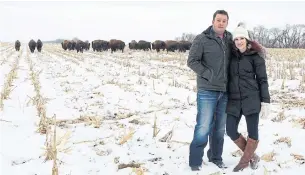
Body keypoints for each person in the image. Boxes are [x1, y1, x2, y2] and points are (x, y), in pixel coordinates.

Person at [187, 10, 233, 171]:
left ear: (227, 23)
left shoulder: (230, 39)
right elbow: (192, 61)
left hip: (225, 91)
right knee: (204, 126)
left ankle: (215, 157)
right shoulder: (202, 39)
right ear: (213, 21)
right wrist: (209, 75)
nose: (221, 23)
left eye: (224, 21)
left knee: (220, 128)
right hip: (207, 90)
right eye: (218, 20)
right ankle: (195, 161)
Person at [226, 23, 270, 172]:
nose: (239, 41)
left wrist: (265, 102)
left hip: (251, 99)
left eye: (241, 38)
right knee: (231, 130)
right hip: (234, 100)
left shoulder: (255, 57)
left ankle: (245, 161)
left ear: (247, 39)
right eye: (236, 39)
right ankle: (253, 156)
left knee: (253, 133)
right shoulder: (230, 57)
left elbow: (263, 80)